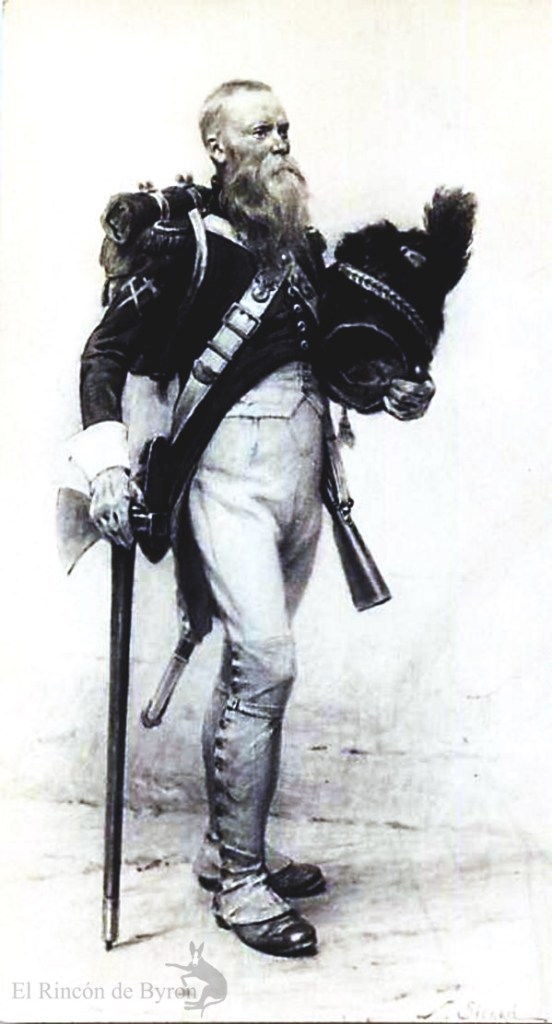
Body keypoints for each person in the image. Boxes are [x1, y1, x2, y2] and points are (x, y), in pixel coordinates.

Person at [69, 80, 433, 957]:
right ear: (219, 146)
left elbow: (327, 362)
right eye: (260, 129)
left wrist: (384, 391)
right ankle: (241, 886)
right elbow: (103, 355)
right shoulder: (183, 242)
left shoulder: (302, 249)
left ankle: (223, 848)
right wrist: (108, 467)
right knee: (267, 660)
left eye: (285, 127)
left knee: (249, 667)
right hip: (226, 481)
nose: (280, 142)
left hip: (304, 481)